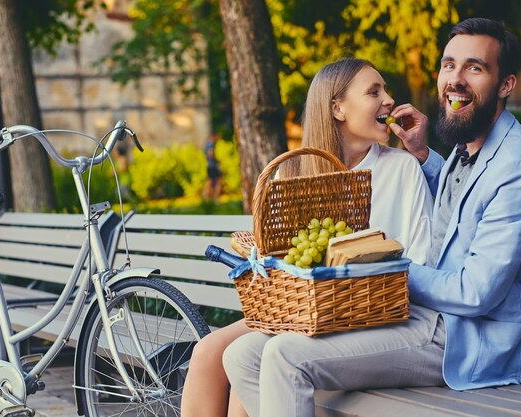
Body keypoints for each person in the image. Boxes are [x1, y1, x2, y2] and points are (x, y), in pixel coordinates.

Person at [222, 18, 521, 417]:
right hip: (421, 321)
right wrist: (422, 154)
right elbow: (464, 198)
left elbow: (475, 294)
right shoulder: (474, 148)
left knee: (285, 356)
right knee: (242, 355)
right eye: (449, 65)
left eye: (475, 67)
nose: (456, 78)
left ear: (506, 85)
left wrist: (382, 269)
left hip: (459, 342)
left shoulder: (517, 170)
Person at [180, 58, 434, 417]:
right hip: (301, 308)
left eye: (386, 90)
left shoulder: (401, 168)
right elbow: (283, 261)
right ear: (337, 108)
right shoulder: (294, 172)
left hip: (365, 310)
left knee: (243, 366)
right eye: (374, 92)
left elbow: (418, 260)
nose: (389, 100)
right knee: (209, 352)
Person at [203, 133, 223, 201]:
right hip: (213, 166)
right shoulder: (211, 144)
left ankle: (206, 197)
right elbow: (210, 154)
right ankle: (216, 198)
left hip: (209, 165)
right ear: (214, 136)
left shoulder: (206, 144)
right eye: (217, 137)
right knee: (219, 181)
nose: (217, 140)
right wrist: (217, 160)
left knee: (210, 182)